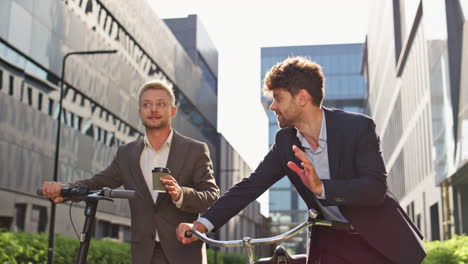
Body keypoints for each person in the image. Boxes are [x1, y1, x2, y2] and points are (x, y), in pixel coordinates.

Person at [176, 57, 426, 264]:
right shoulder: (286, 142)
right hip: (330, 244)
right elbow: (250, 187)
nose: (273, 106)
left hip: (376, 241)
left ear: (302, 98)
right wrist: (202, 224)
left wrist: (324, 189)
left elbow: (375, 189)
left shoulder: (358, 128)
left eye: (278, 98)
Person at [42, 80, 220, 264]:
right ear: (140, 112)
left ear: (173, 111)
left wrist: (180, 194)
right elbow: (98, 182)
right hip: (143, 254)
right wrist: (65, 189)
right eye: (146, 104)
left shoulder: (195, 150)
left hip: (184, 253)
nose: (153, 109)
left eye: (161, 104)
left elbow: (212, 197)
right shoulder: (127, 153)